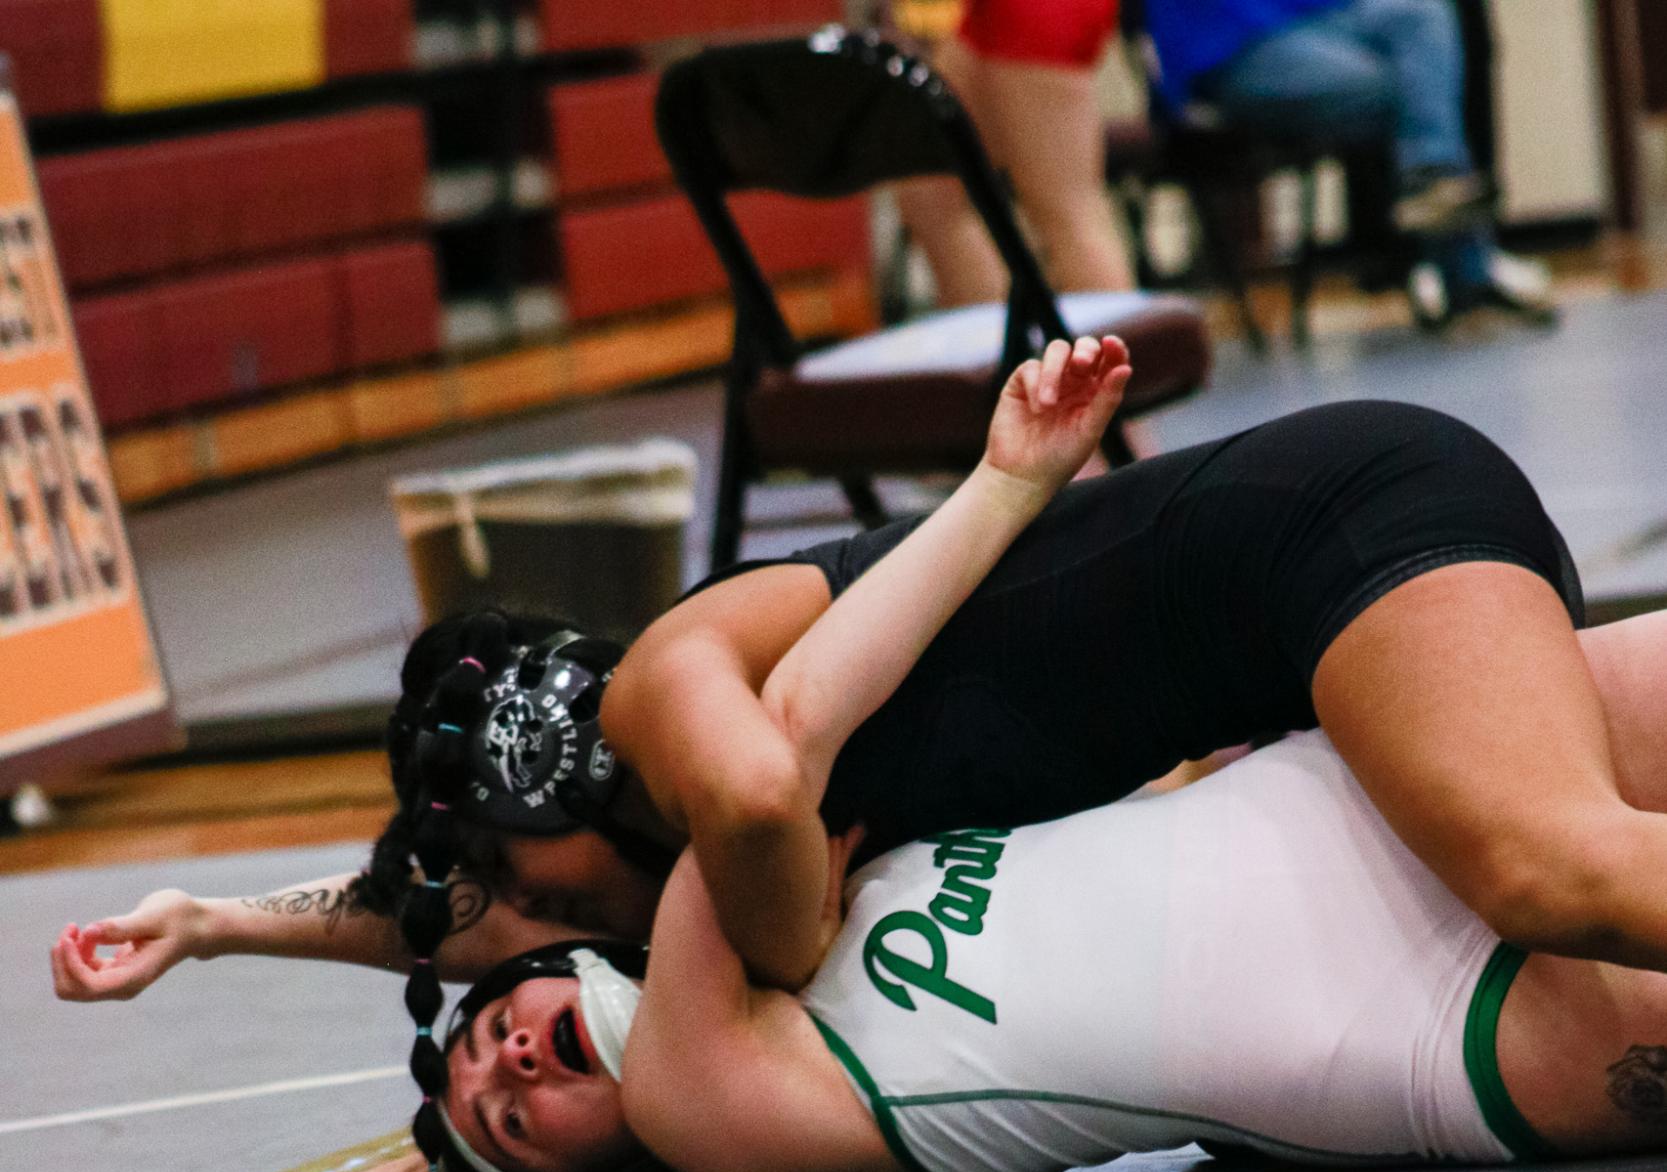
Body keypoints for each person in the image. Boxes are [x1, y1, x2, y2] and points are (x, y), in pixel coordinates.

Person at [55, 353, 1667, 1049]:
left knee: (1548, 872)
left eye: (530, 902)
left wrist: (776, 916)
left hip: (1328, 535)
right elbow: (443, 908)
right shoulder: (613, 799)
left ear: (569, 825)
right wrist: (212, 923)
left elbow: (759, 817)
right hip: (1305, 586)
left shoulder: (665, 700)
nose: (527, 941)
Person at [191, 709, 1667, 1172]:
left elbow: (486, 913)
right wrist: (434, 1165)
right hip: (1427, 1026)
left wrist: (212, 921)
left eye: (490, 1040)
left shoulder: (755, 948)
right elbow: (733, 761)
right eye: (512, 1117)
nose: (507, 1063)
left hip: (1337, 784)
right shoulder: (725, 1102)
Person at [1141, 0, 1556, 329]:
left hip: (1316, 14)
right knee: (1412, 89)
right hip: (1232, 42)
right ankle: (1465, 267)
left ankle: (1431, 181)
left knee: (1422, 14)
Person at [887, 0, 1139, 307]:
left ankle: (1118, 351)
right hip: (987, 16)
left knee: (1067, 213)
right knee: (929, 187)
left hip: (1036, 12)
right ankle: (997, 345)